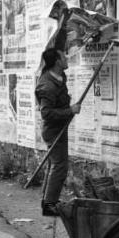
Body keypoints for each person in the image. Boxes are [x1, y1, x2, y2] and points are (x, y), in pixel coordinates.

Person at [35, 47, 81, 216]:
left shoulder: (59, 77)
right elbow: (46, 113)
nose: (67, 58)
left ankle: (47, 201)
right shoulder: (47, 85)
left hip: (59, 128)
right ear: (57, 62)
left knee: (54, 165)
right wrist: (70, 111)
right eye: (64, 57)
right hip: (53, 131)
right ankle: (49, 205)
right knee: (60, 166)